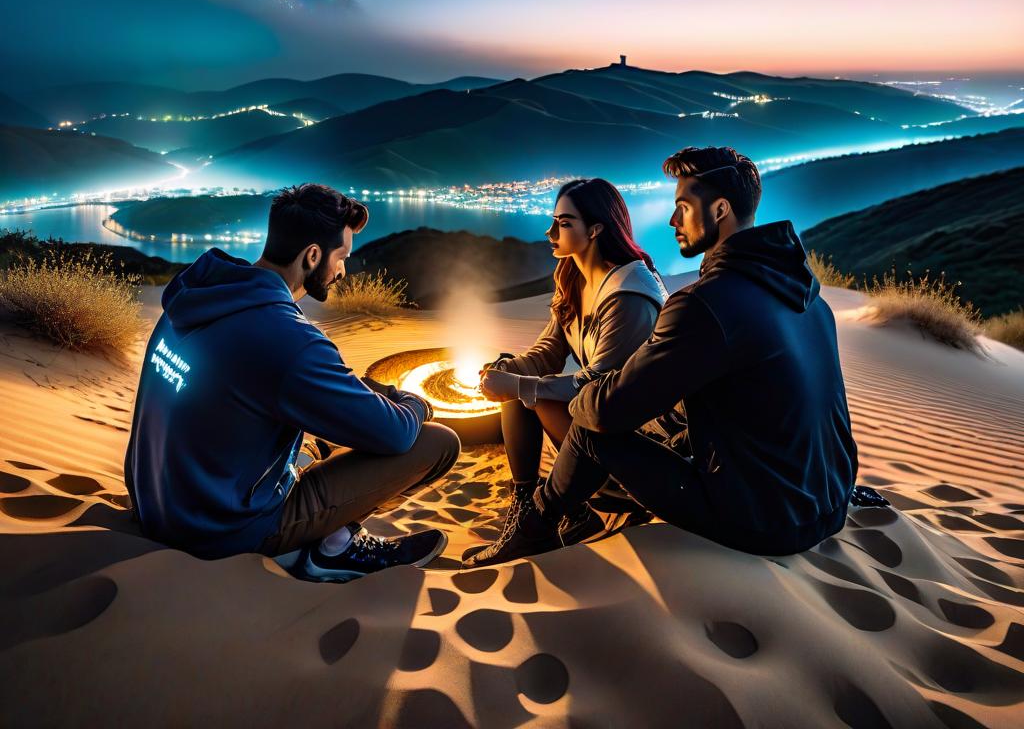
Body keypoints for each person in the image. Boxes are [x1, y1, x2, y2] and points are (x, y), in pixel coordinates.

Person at [470, 146, 859, 564]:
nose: (673, 220)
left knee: (591, 426)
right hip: (829, 502)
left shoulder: (705, 305)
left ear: (721, 209)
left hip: (766, 521)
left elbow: (606, 412)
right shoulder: (807, 294)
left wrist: (569, 393)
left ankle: (534, 530)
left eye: (683, 207)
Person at [124, 183, 461, 582]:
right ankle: (330, 549)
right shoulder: (286, 339)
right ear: (312, 255)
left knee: (316, 441)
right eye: (341, 258)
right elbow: (396, 434)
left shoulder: (200, 294)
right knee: (436, 443)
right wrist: (416, 404)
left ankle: (320, 533)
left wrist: (373, 393)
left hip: (157, 504)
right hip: (220, 532)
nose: (342, 271)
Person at [463, 177, 667, 568]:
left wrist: (521, 384)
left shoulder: (630, 296)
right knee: (519, 383)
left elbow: (606, 388)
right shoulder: (575, 276)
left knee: (529, 391)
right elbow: (549, 351)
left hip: (636, 449)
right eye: (553, 220)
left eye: (564, 223)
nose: (550, 231)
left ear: (595, 229)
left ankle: (540, 522)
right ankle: (539, 511)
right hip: (596, 429)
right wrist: (506, 371)